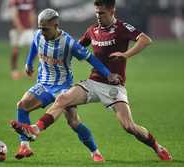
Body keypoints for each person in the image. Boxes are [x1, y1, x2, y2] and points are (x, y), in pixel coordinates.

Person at [11, 0, 173, 161]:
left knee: (129, 127)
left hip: (114, 87)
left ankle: (157, 147)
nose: (98, 16)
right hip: (93, 82)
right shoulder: (92, 30)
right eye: (96, 13)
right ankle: (35, 129)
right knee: (63, 99)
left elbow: (145, 39)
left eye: (102, 13)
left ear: (112, 11)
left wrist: (126, 55)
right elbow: (76, 47)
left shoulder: (122, 28)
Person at [10, 8, 121, 161]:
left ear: (56, 25)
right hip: (44, 84)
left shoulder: (69, 43)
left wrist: (108, 74)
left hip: (63, 87)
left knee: (74, 122)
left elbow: (91, 58)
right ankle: (25, 147)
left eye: (45, 29)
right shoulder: (39, 35)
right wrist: (29, 63)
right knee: (22, 105)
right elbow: (35, 45)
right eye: (40, 28)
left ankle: (95, 152)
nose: (42, 32)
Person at [9, 0, 36, 80]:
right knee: (15, 50)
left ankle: (27, 70)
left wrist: (33, 26)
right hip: (17, 29)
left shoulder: (30, 2)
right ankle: (14, 71)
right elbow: (14, 15)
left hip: (28, 29)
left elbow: (31, 14)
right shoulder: (16, 1)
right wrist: (19, 27)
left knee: (34, 50)